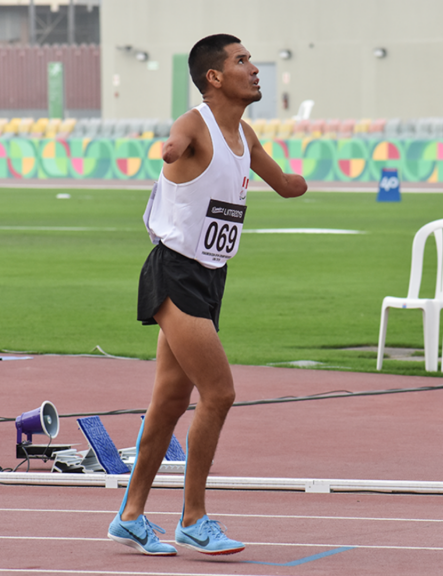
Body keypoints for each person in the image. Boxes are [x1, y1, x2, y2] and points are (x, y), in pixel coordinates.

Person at [106, 33, 307, 556]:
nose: (255, 68)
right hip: (174, 271)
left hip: (211, 276)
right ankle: (194, 517)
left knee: (170, 401)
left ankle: (130, 516)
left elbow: (281, 183)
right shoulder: (196, 123)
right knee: (219, 393)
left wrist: (295, 184)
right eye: (243, 61)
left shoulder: (245, 136)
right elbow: (175, 142)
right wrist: (171, 151)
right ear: (214, 77)